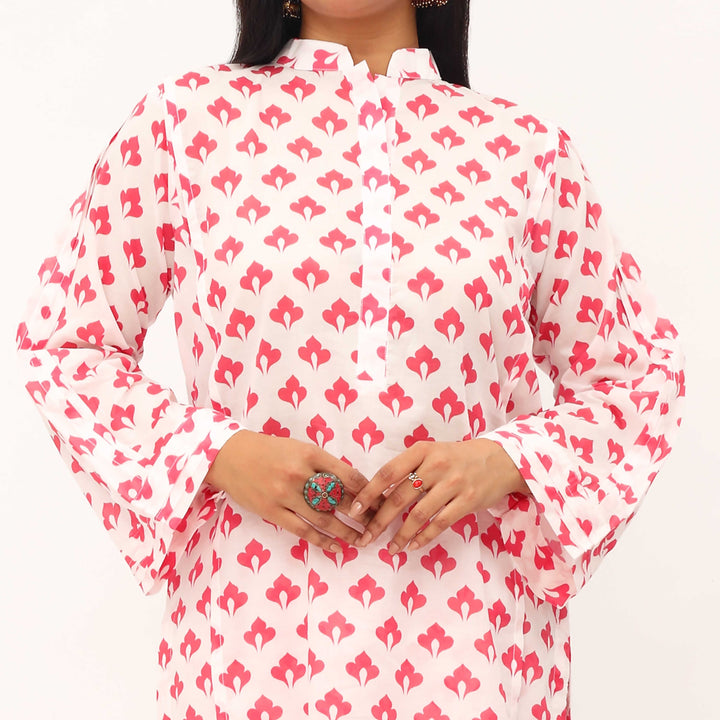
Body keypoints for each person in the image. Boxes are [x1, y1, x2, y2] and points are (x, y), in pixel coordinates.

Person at [14, 1, 686, 718]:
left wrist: (505, 461)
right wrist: (221, 454)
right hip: (247, 638)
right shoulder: (184, 125)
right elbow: (64, 346)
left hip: (473, 640)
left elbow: (640, 376)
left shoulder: (525, 151)